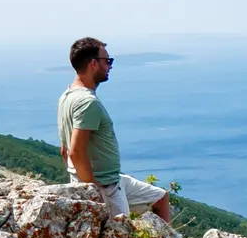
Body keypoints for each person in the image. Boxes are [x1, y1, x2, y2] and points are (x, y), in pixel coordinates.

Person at [57, 37, 173, 222]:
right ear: (94, 63)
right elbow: (76, 152)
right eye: (107, 61)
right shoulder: (87, 103)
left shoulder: (67, 96)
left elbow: (64, 150)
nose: (110, 66)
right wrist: (94, 194)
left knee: (160, 198)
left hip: (112, 180)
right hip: (104, 187)